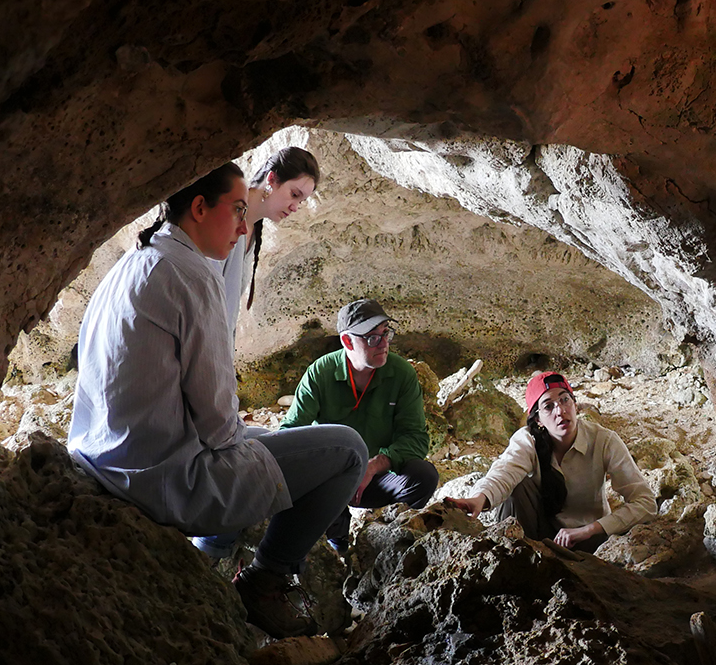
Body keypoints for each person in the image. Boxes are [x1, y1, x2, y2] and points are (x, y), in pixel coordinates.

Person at [67, 163, 367, 639]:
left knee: (273, 440)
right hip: (159, 478)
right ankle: (264, 579)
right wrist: (249, 445)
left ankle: (216, 553)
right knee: (347, 450)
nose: (245, 228)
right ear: (200, 207)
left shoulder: (132, 262)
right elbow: (218, 425)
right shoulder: (188, 275)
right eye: (238, 211)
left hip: (100, 455)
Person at [279, 298, 439, 553]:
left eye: (386, 333)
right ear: (347, 341)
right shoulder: (320, 372)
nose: (384, 343)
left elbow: (416, 438)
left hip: (376, 477)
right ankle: (337, 538)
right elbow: (289, 432)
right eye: (372, 338)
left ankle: (392, 535)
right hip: (331, 478)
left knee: (423, 475)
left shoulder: (402, 374)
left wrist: (375, 465)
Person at [447, 371, 656, 552]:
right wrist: (479, 498)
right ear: (538, 420)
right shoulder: (528, 439)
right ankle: (515, 560)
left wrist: (591, 529)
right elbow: (504, 472)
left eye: (565, 400)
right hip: (540, 533)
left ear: (575, 404)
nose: (560, 411)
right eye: (548, 406)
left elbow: (645, 503)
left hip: (588, 539)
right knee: (515, 488)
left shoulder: (604, 440)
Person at [220, 146, 320, 345]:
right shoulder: (225, 218)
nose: (295, 207)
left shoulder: (253, 233)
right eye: (294, 194)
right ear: (272, 179)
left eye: (301, 201)